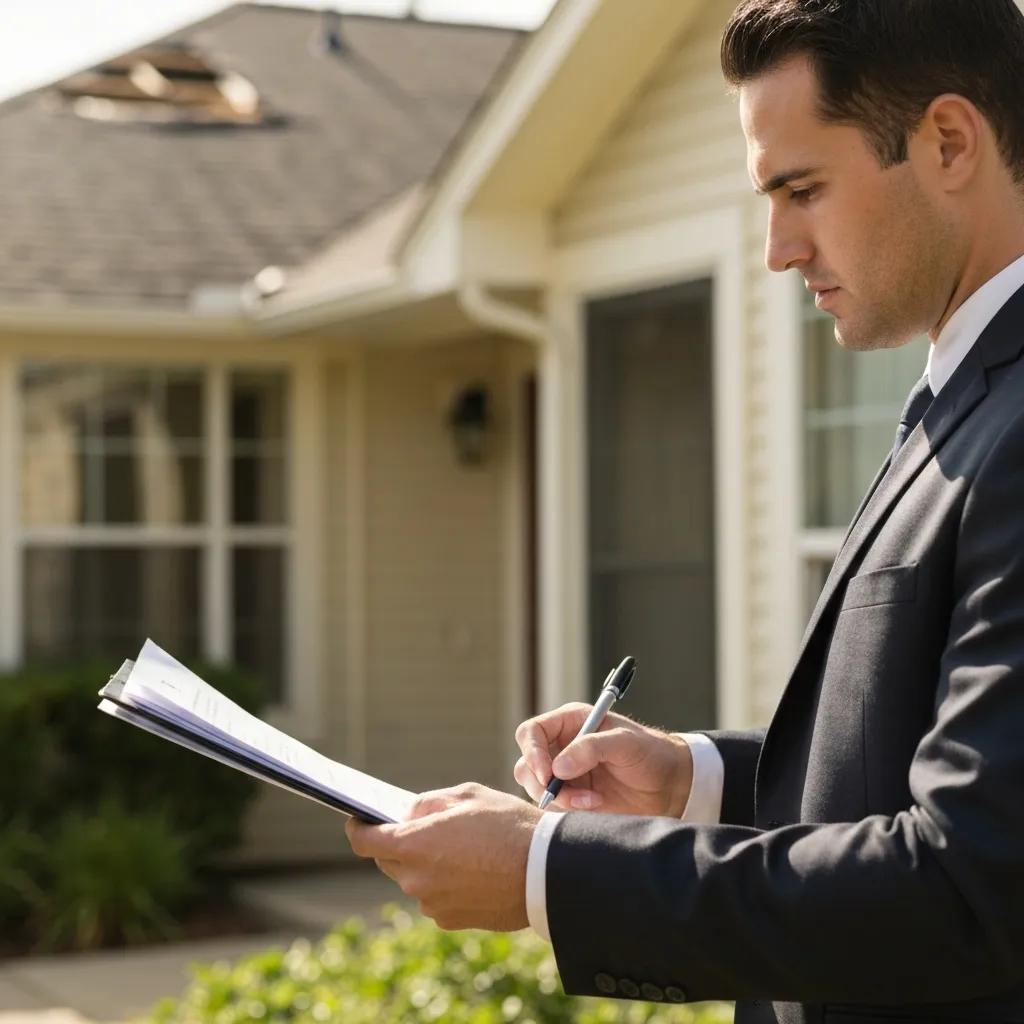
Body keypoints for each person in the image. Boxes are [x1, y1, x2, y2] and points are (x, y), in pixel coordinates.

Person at [345, 1, 1024, 1020]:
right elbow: (905, 780)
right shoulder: (961, 394)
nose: (776, 249)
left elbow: (969, 887)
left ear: (947, 141)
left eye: (801, 189)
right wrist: (689, 778)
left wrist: (549, 872)